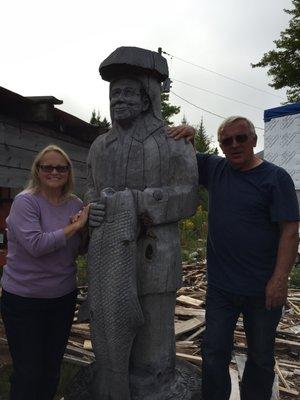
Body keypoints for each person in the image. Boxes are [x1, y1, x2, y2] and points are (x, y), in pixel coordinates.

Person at [86, 47, 199, 399]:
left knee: (152, 343)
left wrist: (140, 201)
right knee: (109, 332)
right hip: (109, 258)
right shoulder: (100, 146)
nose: (118, 99)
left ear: (147, 97)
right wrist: (96, 209)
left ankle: (155, 385)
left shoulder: (173, 143)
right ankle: (113, 381)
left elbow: (188, 196)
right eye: (113, 93)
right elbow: (90, 190)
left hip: (155, 256)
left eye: (127, 92)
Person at [171, 115, 299, 400]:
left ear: (254, 140)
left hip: (262, 289)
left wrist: (280, 279)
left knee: (261, 357)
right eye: (226, 141)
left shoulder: (275, 178)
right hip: (221, 288)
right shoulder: (216, 169)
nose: (234, 144)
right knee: (214, 352)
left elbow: (290, 232)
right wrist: (189, 132)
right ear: (221, 145)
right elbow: (185, 152)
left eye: (241, 138)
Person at [0, 144, 90, 400]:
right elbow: (36, 245)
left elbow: (79, 250)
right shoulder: (25, 202)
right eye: (47, 167)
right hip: (24, 302)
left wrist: (83, 232)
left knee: (51, 369)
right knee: (28, 372)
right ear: (37, 170)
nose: (54, 172)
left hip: (61, 300)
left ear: (68, 172)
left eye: (61, 168)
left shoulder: (75, 203)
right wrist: (73, 228)